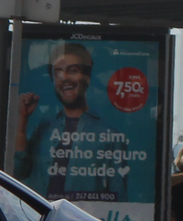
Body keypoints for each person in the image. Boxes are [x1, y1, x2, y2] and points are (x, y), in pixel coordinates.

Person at [13, 41, 127, 201]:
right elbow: (17, 171)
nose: (65, 78)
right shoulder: (43, 128)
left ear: (87, 77)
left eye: (73, 71)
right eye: (58, 73)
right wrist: (23, 121)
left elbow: (119, 197)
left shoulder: (109, 135)